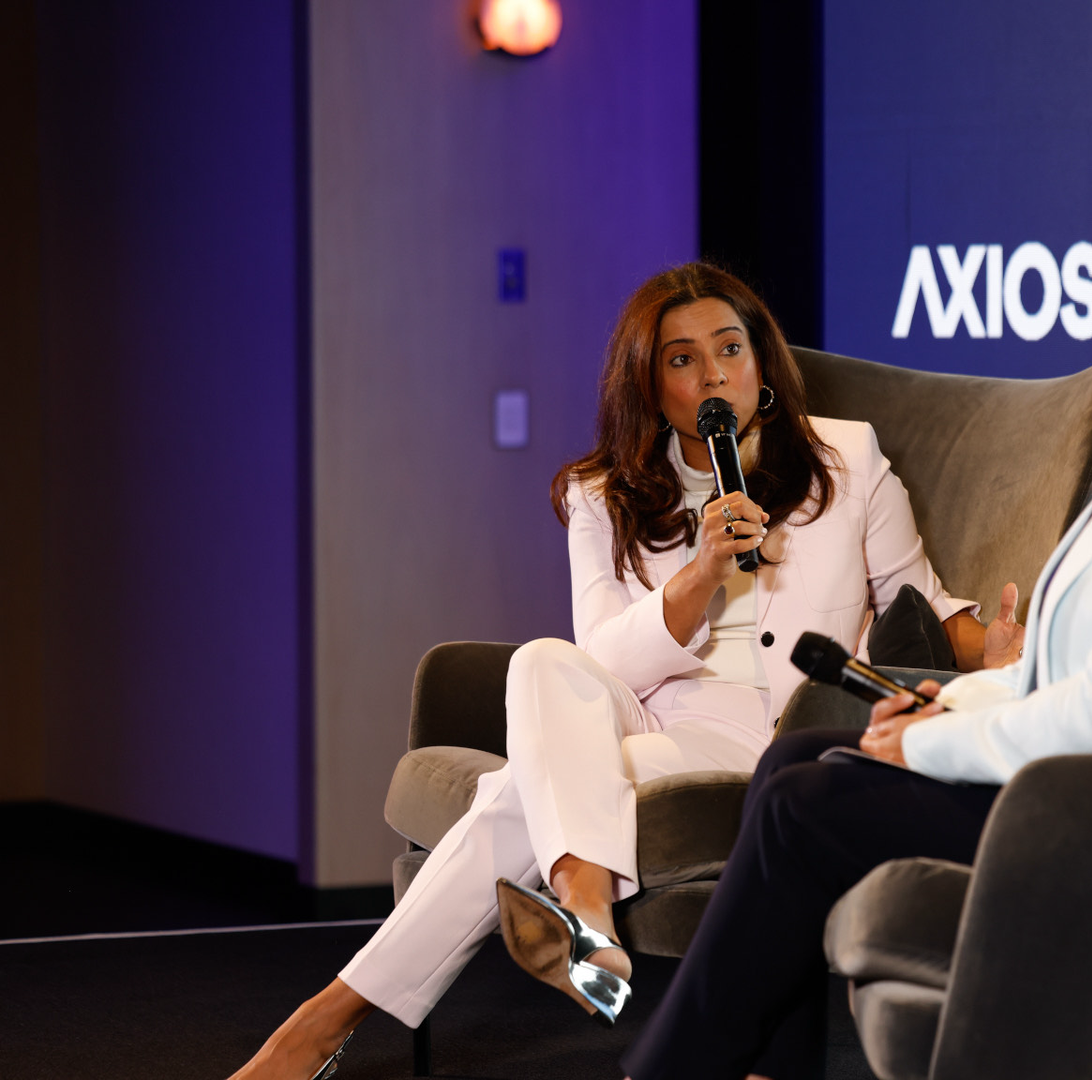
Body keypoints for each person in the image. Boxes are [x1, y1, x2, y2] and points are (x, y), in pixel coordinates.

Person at [617, 182, 1092, 1080]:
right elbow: (1075, 671)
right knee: (792, 763)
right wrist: (939, 697)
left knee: (796, 804)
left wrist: (935, 741)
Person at [227, 263, 1021, 1080]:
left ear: (762, 362)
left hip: (790, 730)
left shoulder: (845, 457)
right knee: (545, 662)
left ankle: (330, 1020)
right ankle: (588, 910)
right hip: (669, 727)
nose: (714, 374)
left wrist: (993, 649)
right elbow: (603, 657)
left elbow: (920, 601)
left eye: (731, 348)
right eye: (682, 360)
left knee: (526, 791)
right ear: (649, 385)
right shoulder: (599, 492)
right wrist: (701, 573)